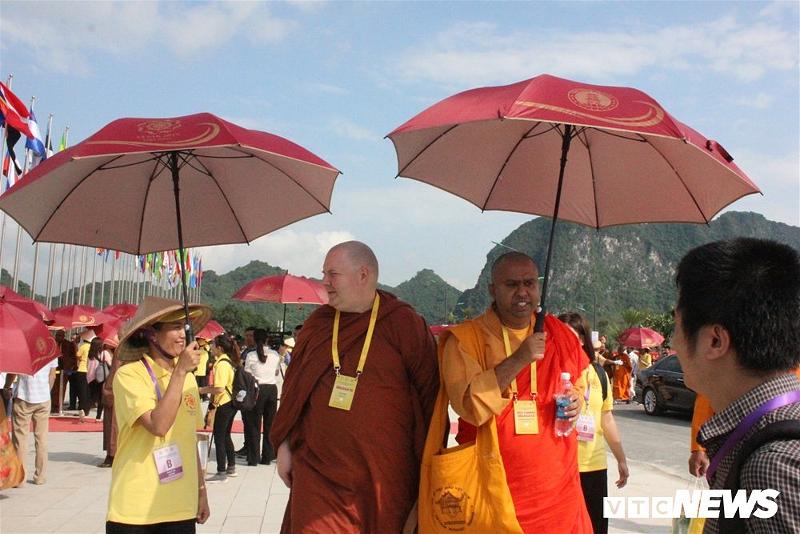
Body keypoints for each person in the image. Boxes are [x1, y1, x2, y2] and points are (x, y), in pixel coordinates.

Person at [270, 240, 439, 532]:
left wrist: (428, 475)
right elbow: (294, 390)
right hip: (318, 474)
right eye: (324, 274)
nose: (325, 282)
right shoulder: (318, 324)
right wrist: (283, 444)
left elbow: (431, 399)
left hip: (384, 477)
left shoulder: (403, 323)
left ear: (364, 275)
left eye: (332, 274)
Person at [439, 251, 590, 533]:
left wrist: (577, 400)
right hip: (492, 489)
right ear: (492, 290)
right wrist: (520, 358)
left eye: (529, 283)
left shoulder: (558, 333)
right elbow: (470, 406)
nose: (522, 292)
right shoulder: (466, 340)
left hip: (558, 491)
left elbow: (580, 382)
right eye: (511, 285)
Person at [673, 238, 800, 533]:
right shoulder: (764, 430)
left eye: (676, 326)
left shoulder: (771, 465)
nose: (673, 343)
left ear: (715, 341)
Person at [107, 296, 211, 532]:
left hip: (180, 506)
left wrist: (201, 491)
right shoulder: (129, 376)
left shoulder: (188, 379)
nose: (183, 335)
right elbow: (158, 425)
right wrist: (181, 371)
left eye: (185, 327)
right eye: (175, 327)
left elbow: (188, 439)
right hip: (136, 510)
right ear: (151, 334)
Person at [559, 312, 628, 534]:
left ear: (583, 339)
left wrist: (621, 459)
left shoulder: (598, 373)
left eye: (573, 336)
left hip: (595, 465)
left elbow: (606, 418)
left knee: (597, 528)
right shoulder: (553, 373)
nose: (568, 342)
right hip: (561, 467)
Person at [2, 357, 59, 486]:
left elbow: (13, 373)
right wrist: (46, 391)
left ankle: (20, 478)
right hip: (43, 398)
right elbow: (52, 376)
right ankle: (40, 476)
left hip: (24, 396)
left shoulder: (22, 352)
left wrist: (7, 386)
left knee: (20, 439)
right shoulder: (50, 350)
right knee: (42, 439)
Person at [205, 334, 242, 478]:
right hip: (230, 403)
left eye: (213, 345)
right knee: (226, 435)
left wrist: (203, 390)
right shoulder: (230, 362)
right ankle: (231, 467)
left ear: (219, 348)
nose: (211, 348)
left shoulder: (221, 364)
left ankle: (221, 471)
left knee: (219, 437)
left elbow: (219, 388)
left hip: (223, 403)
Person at [244, 329, 280, 464]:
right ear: (267, 339)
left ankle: (253, 457)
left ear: (254, 339)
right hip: (271, 389)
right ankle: (267, 456)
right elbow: (276, 372)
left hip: (257, 389)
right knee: (269, 424)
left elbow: (247, 375)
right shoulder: (275, 354)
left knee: (254, 424)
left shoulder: (251, 355)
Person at [235, 327, 257, 457]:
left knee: (251, 421)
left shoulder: (254, 353)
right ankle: (247, 445)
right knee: (246, 420)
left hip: (252, 389)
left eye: (251, 336)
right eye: (246, 335)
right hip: (244, 389)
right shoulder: (246, 351)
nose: (248, 338)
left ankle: (251, 448)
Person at [72, 329, 94, 422]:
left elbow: (77, 355)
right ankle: (86, 409)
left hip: (81, 370)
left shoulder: (83, 346)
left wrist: (75, 345)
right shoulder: (92, 347)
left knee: (81, 391)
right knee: (86, 390)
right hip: (89, 371)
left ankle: (82, 409)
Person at [87, 337, 110, 421]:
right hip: (101, 378)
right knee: (101, 398)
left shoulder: (90, 354)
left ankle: (85, 411)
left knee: (91, 396)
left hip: (90, 378)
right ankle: (98, 416)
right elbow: (110, 364)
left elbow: (88, 366)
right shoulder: (104, 353)